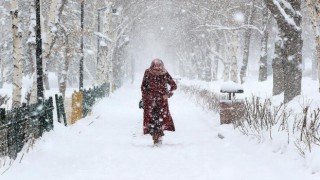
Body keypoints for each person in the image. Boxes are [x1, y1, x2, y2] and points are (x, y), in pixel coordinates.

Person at [141, 58, 177, 145]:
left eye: (159, 68)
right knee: (152, 120)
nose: (157, 70)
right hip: (150, 102)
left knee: (160, 120)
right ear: (152, 67)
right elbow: (143, 86)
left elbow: (174, 86)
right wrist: (145, 96)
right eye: (155, 68)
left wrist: (168, 95)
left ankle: (158, 137)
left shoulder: (164, 73)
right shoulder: (147, 73)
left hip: (161, 102)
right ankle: (155, 137)